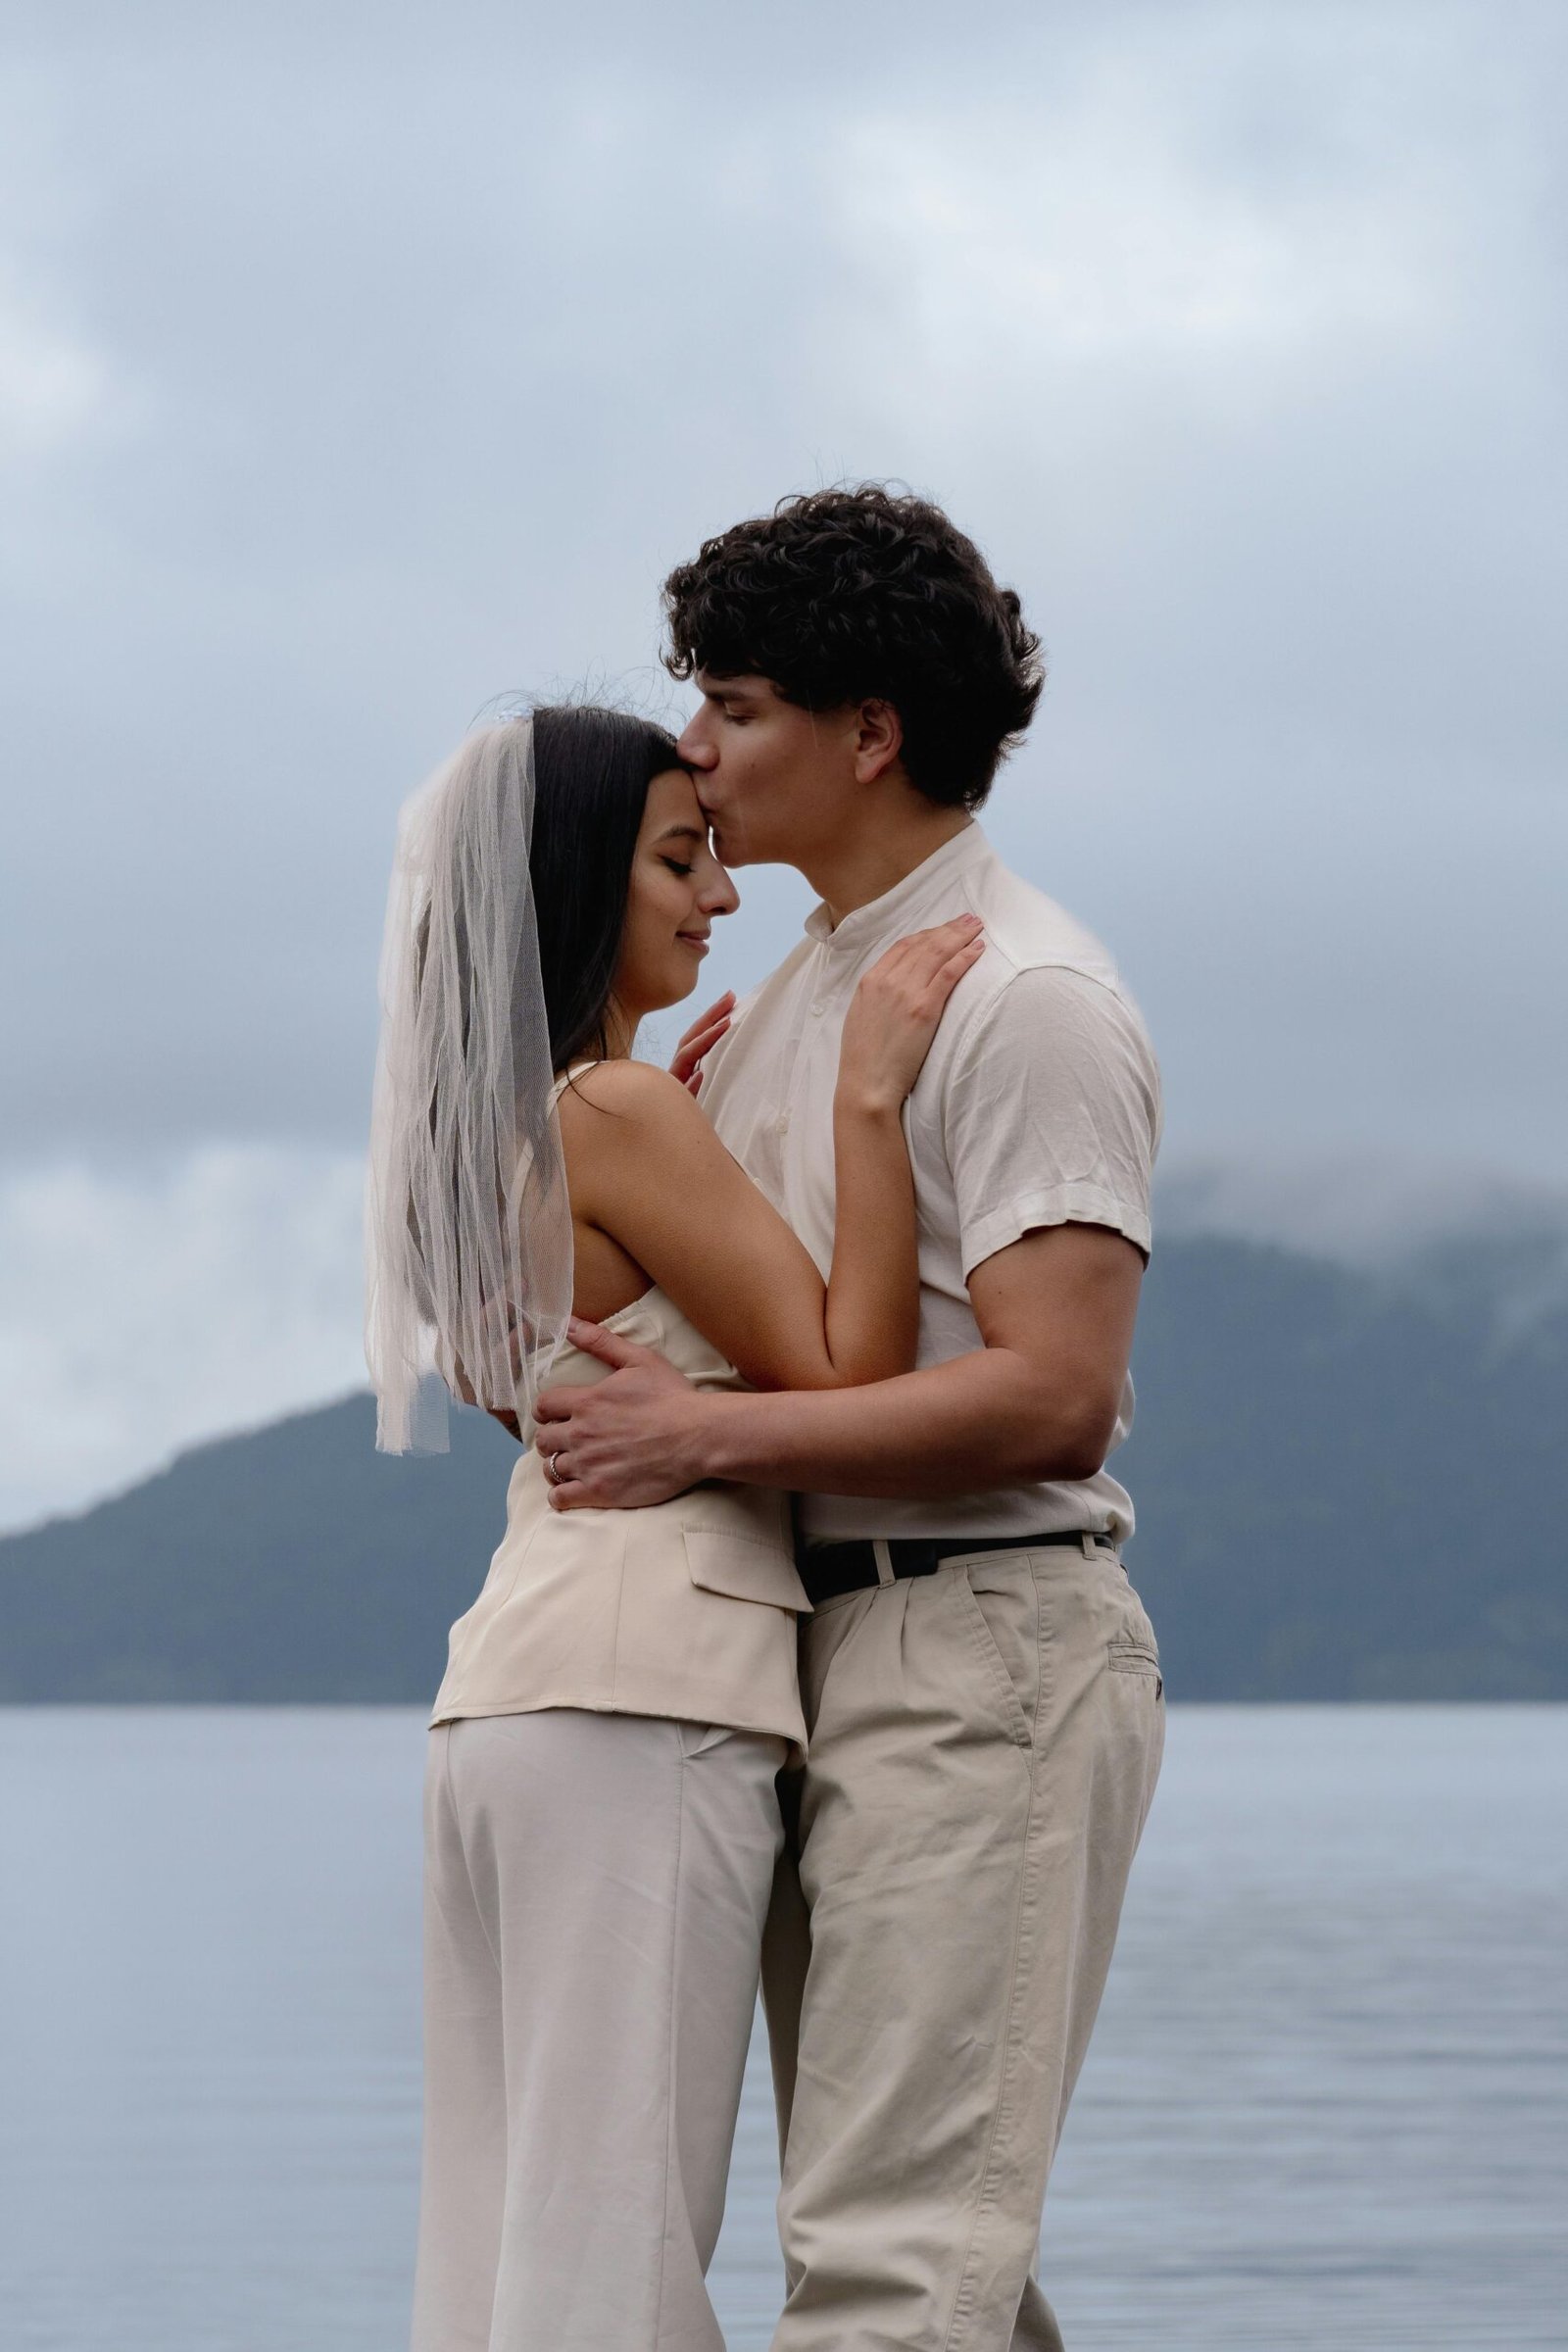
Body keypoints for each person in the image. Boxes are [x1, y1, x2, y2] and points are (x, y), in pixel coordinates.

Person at [533, 489, 1166, 2352]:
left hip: (982, 1649)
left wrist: (709, 1447)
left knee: (895, 2271)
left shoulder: (1024, 994)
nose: (698, 756)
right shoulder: (808, 983)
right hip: (822, 1651)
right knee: (932, 2259)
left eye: (732, 707)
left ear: (870, 734)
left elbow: (1061, 1395)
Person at [364, 701, 983, 2352]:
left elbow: (555, 1403)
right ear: (575, 883)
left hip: (503, 1706)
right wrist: (863, 1104)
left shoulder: (463, 1147)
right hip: (650, 1693)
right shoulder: (620, 1120)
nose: (717, 897)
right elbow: (851, 1368)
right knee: (617, 2254)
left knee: (506, 2243)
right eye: (675, 857)